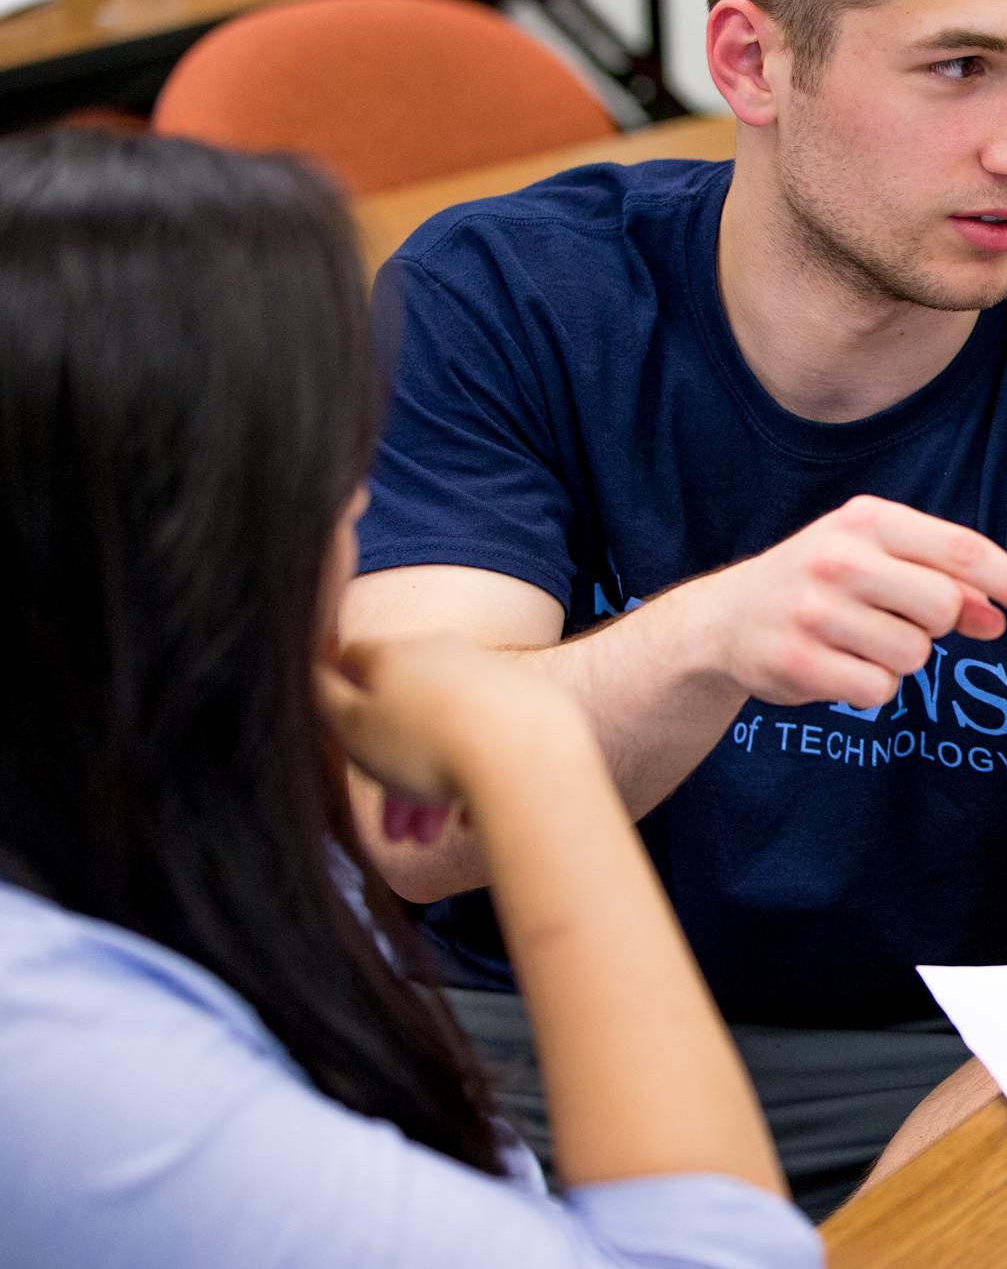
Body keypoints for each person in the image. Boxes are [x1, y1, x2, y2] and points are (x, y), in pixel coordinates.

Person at [341, 0, 1007, 1215]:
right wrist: (706, 638)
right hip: (506, 1035)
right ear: (750, 65)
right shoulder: (503, 301)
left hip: (912, 1080)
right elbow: (415, 828)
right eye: (960, 68)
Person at [0, 129, 818, 1267]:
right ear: (182, 527)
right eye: (328, 467)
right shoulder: (57, 1060)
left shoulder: (150, 811)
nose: (356, 515)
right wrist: (534, 760)